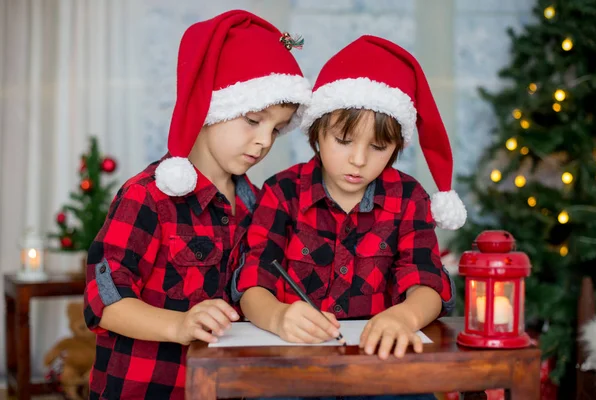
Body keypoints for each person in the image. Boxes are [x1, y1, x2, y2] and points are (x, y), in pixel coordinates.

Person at [83, 10, 311, 400]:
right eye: (253, 120)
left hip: (227, 387)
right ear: (210, 108)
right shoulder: (148, 197)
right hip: (145, 389)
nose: (264, 142)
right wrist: (180, 325)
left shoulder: (257, 203)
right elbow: (105, 302)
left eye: (276, 129)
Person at [235, 35, 467, 400]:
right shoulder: (281, 193)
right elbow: (252, 284)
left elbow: (427, 282)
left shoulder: (409, 198)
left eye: (377, 147)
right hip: (291, 369)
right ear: (316, 133)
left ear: (395, 147)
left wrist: (403, 318)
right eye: (343, 141)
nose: (358, 160)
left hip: (382, 370)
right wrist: (278, 316)